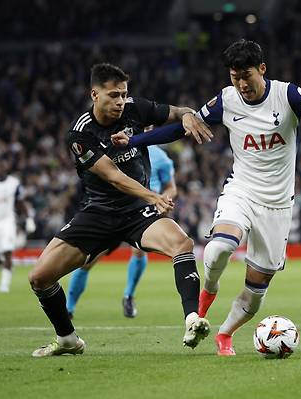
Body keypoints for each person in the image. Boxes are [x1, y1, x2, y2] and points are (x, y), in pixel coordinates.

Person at [112, 39, 301, 356]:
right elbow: (184, 128)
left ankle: (224, 335)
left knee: (256, 289)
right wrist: (136, 140)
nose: (241, 84)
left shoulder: (286, 94)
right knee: (219, 247)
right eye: (234, 76)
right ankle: (204, 303)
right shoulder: (227, 100)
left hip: (278, 205)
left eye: (247, 76)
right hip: (241, 190)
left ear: (262, 69)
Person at [27, 63, 213, 357]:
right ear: (94, 94)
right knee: (39, 277)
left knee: (182, 243)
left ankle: (192, 319)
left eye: (124, 94)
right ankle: (67, 340)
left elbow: (178, 111)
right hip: (98, 213)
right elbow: (113, 175)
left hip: (136, 211)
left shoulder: (134, 109)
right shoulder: (80, 135)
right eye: (113, 95)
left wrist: (189, 115)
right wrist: (153, 195)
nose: (120, 101)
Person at [66, 144, 177, 319]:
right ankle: (69, 308)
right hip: (112, 210)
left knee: (139, 250)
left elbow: (171, 187)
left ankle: (128, 296)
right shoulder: (114, 147)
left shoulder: (161, 157)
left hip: (143, 211)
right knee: (88, 261)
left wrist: (163, 198)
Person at [0, 159, 35, 293]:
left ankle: (4, 285)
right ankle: (7, 269)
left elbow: (20, 202)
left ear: (6, 168)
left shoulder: (14, 184)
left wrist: (29, 218)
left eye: (3, 167)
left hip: (8, 220)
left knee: (7, 251)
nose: (0, 169)